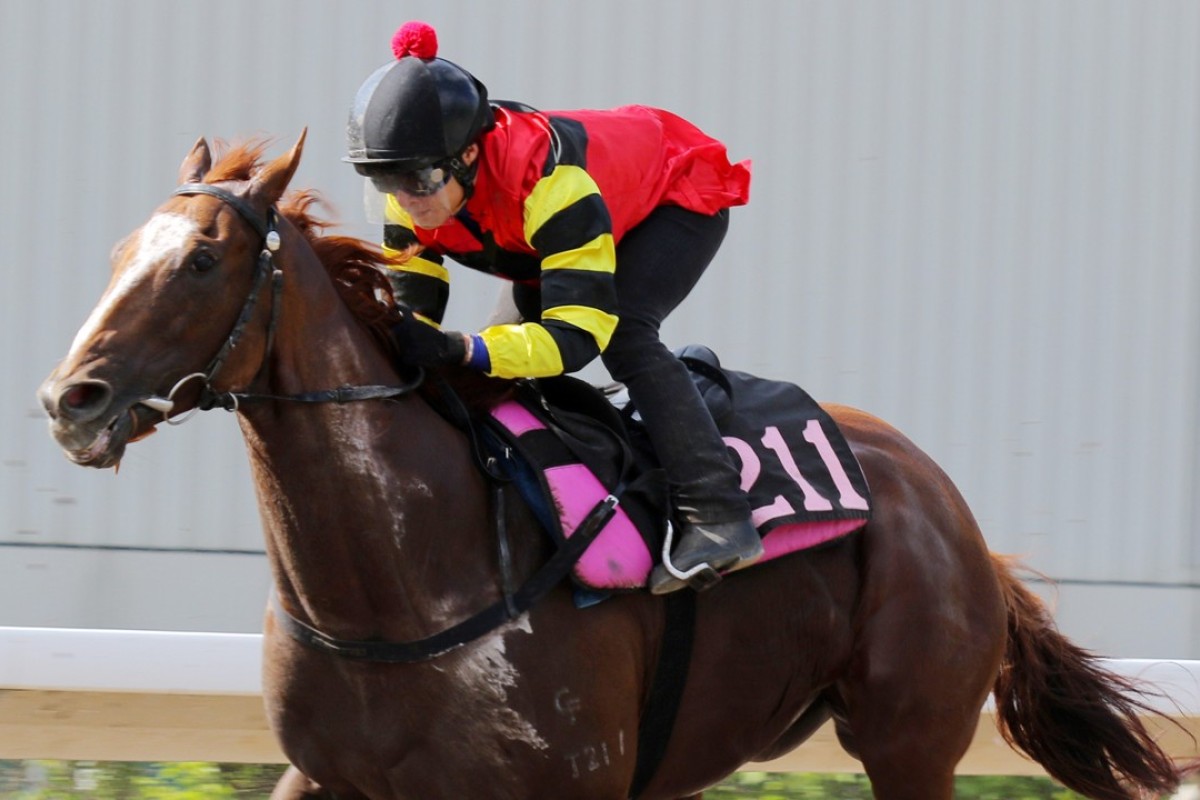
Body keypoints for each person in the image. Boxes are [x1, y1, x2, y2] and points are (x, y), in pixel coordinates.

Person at [344, 21, 762, 594]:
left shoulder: (550, 183)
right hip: (538, 235)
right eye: (387, 183)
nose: (407, 201)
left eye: (416, 181)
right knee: (489, 361)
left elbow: (572, 341)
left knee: (624, 335)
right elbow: (414, 317)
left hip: (671, 195)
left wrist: (461, 347)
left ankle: (717, 514)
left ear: (467, 154)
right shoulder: (413, 182)